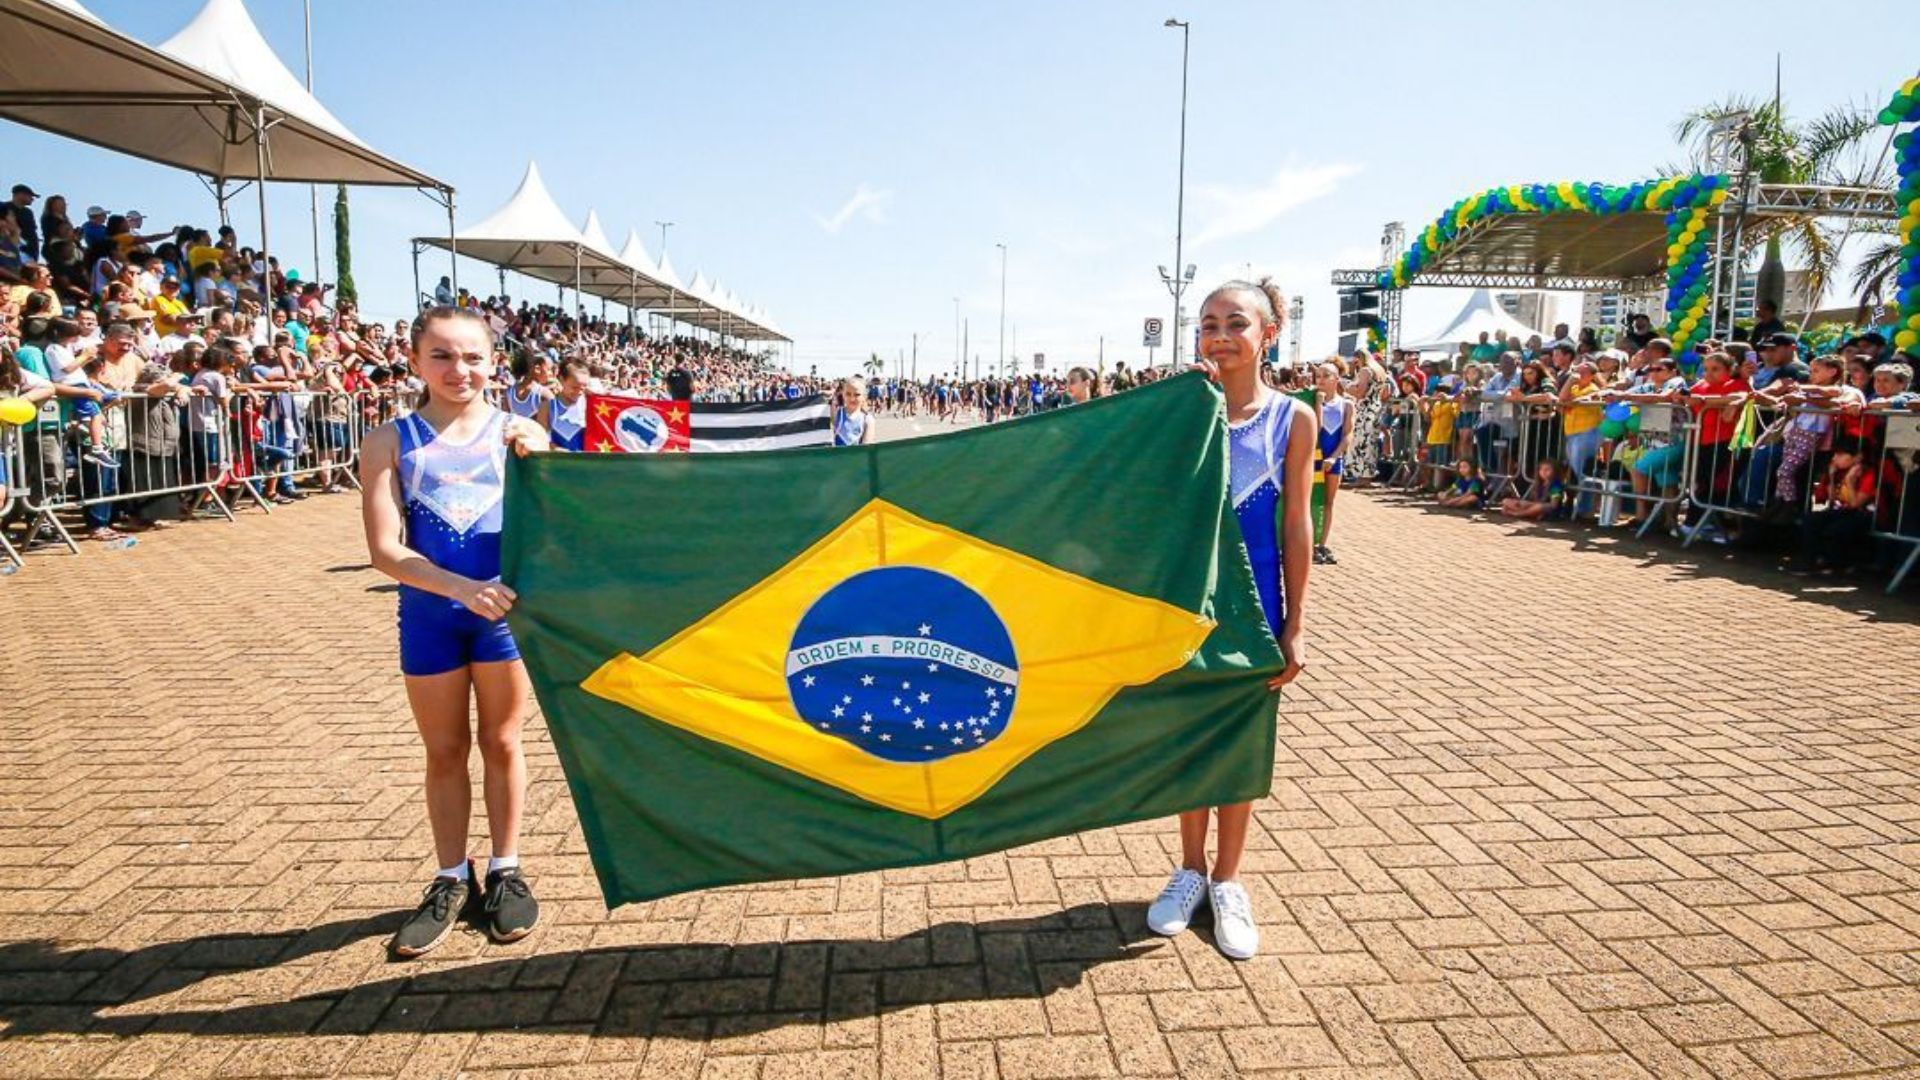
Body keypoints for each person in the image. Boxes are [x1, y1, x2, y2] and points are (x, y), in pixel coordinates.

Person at [359, 306, 549, 958]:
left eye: (471, 356)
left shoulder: (520, 434)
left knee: (502, 741)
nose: (458, 369)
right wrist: (460, 588)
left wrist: (546, 461)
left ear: (494, 361)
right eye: (441, 355)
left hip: (503, 620)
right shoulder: (389, 440)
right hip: (432, 618)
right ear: (414, 361)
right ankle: (448, 878)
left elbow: (561, 519)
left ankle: (506, 869)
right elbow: (385, 550)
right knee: (444, 751)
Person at [1146, 278, 1313, 962]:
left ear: (1268, 334)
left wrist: (1296, 622)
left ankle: (1228, 880)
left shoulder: (1291, 418)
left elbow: (1296, 523)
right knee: (1190, 742)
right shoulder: (1187, 410)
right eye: (1208, 322)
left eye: (1235, 322)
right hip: (1189, 604)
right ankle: (1187, 869)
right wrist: (1178, 409)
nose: (1219, 334)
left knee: (1240, 748)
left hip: (1254, 611)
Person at [1311, 362, 1350, 564]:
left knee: (1328, 502)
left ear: (1336, 378)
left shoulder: (1347, 404)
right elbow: (1316, 429)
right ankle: (1309, 543)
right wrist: (1318, 404)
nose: (1321, 380)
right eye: (1318, 376)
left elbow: (1347, 435)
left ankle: (1322, 544)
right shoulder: (1311, 401)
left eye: (1326, 375)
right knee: (1310, 500)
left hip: (1333, 459)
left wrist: (1335, 456)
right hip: (1314, 457)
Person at [833, 376, 873, 445]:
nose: (852, 398)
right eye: (848, 394)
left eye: (857, 395)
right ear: (843, 394)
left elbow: (866, 447)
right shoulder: (836, 413)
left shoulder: (867, 419)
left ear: (864, 396)